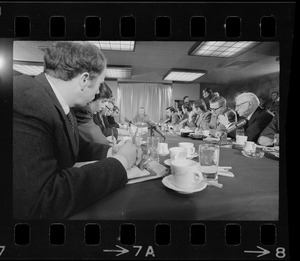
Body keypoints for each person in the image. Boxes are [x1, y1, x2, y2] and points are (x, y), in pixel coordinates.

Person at [13, 41, 141, 219]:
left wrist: (111, 151)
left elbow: (69, 146)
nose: (98, 92)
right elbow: (42, 200)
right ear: (85, 80)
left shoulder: (58, 103)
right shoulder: (25, 100)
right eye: (100, 83)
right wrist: (121, 161)